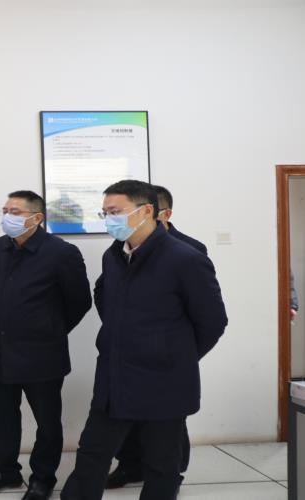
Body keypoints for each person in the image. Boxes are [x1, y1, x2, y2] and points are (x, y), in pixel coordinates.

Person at [60, 180, 227, 500]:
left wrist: (173, 355)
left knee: (162, 466)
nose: (109, 219)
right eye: (105, 213)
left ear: (146, 211)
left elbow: (213, 321)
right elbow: (108, 301)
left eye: (115, 211)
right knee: (92, 455)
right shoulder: (114, 255)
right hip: (113, 376)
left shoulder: (185, 258)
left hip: (164, 381)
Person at [0, 190, 92, 499]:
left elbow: (79, 301)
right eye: (4, 210)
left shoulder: (61, 253)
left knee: (47, 422)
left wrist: (49, 329)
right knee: (0, 418)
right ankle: (6, 471)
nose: (7, 217)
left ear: (36, 218)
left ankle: (43, 477)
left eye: (15, 212)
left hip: (42, 353)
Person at [105, 185, 203, 489]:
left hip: (166, 358)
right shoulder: (120, 249)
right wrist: (118, 324)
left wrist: (178, 350)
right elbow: (103, 290)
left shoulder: (188, 250)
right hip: (127, 353)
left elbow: (206, 316)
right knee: (126, 414)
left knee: (168, 424)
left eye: (117, 212)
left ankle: (172, 473)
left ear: (159, 213)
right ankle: (129, 465)